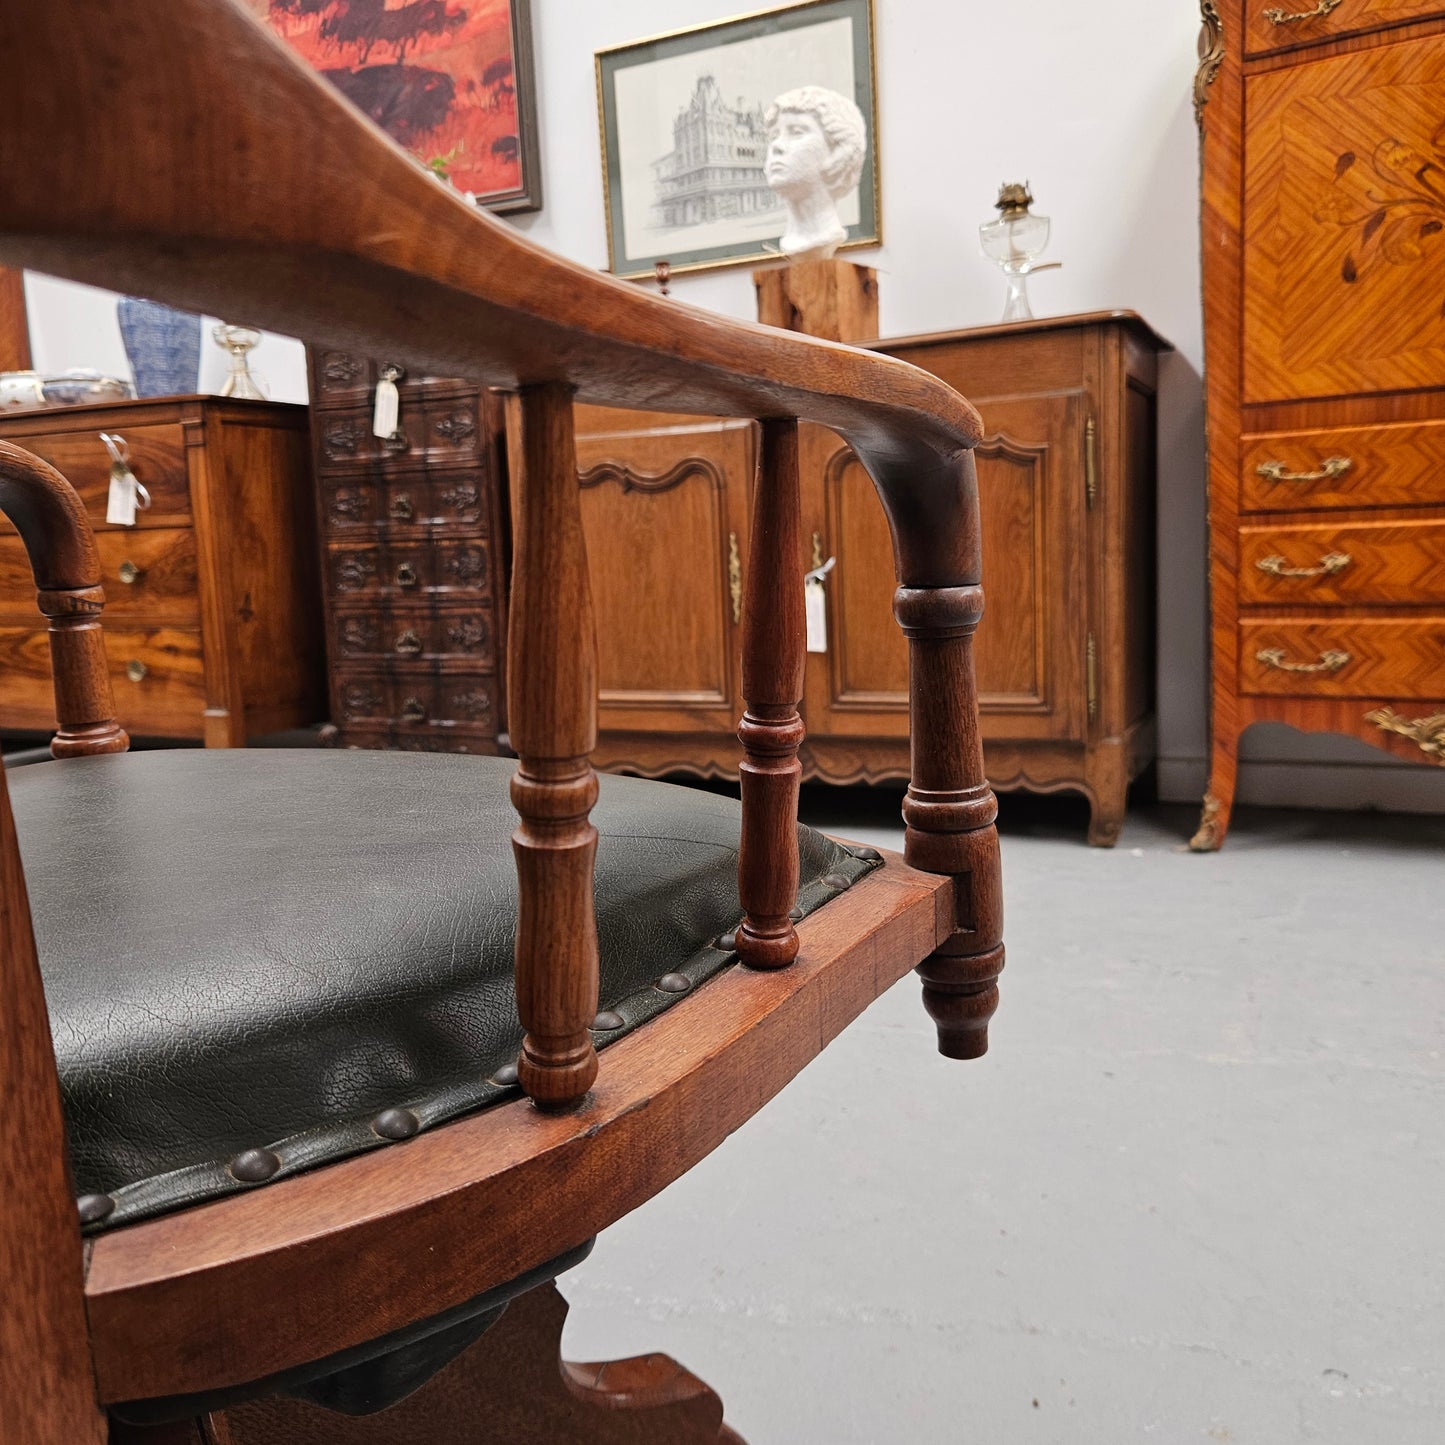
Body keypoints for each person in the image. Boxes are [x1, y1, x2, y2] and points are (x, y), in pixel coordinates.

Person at [764, 85, 868, 261]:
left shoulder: (827, 235)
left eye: (797, 132)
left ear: (837, 148)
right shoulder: (790, 242)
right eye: (774, 136)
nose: (776, 146)